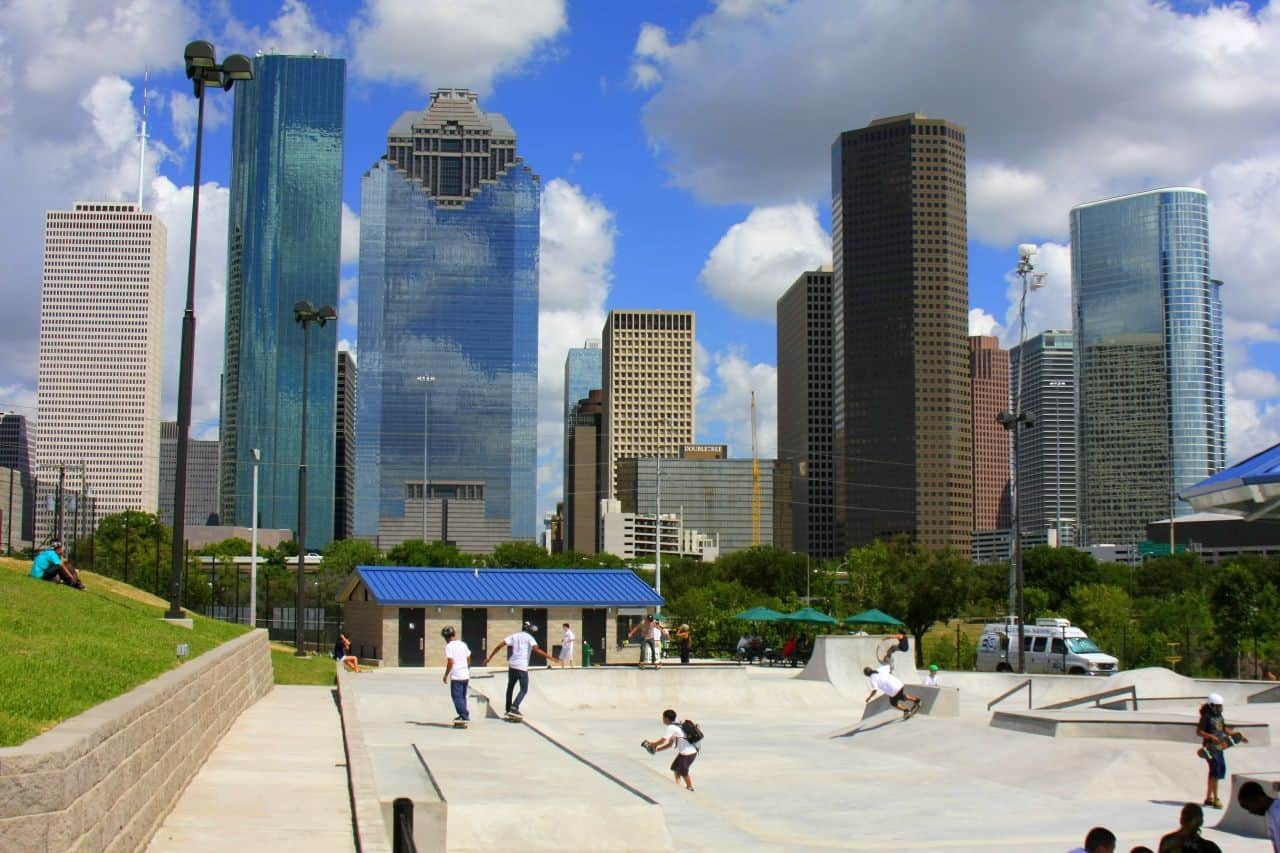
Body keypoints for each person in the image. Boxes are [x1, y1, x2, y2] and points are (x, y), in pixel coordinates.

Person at [483, 621, 552, 718]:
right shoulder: (529, 637)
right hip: (522, 667)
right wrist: (551, 658)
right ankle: (514, 707)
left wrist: (489, 657)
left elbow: (499, 646)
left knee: (510, 688)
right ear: (529, 630)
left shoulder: (514, 636)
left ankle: (508, 709)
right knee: (524, 689)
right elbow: (536, 649)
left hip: (512, 666)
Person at [1196, 692, 1247, 809]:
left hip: (1220, 746)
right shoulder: (1206, 717)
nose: (1221, 708)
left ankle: (1208, 798)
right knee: (1216, 769)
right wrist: (1211, 736)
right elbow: (1199, 732)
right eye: (1219, 706)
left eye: (1221, 706)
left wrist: (1238, 736)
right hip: (1209, 748)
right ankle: (1216, 799)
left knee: (1216, 770)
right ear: (1212, 706)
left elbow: (1224, 729)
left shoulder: (1219, 717)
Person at [641, 708, 698, 792]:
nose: (663, 720)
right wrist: (657, 749)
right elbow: (669, 744)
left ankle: (690, 787)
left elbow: (663, 741)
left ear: (667, 719)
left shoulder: (671, 727)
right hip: (688, 751)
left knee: (683, 771)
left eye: (663, 718)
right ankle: (677, 785)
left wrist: (652, 744)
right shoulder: (678, 724)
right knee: (675, 768)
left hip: (688, 753)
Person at [1157, 802, 1222, 852]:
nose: (1186, 818)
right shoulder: (1168, 842)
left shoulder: (1209, 848)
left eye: (1190, 815)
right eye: (1185, 814)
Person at [441, 626, 471, 727]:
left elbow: (450, 662)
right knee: (462, 697)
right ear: (454, 634)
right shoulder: (463, 644)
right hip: (465, 675)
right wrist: (467, 669)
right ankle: (463, 713)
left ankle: (464, 715)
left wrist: (446, 675)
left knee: (456, 697)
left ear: (445, 637)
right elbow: (469, 659)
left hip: (457, 676)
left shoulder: (449, 646)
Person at [1239, 781, 1280, 852]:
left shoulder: (1278, 811)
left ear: (1260, 798)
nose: (1251, 812)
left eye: (1250, 807)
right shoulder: (1269, 814)